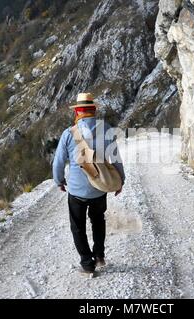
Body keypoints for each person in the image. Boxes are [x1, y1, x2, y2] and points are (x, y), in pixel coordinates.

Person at [53, 93, 125, 275]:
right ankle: (99, 256)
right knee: (98, 221)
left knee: (78, 227)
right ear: (93, 110)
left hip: (77, 192)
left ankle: (87, 264)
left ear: (77, 112)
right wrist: (120, 181)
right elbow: (116, 160)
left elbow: (59, 162)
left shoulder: (69, 134)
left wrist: (59, 180)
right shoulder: (106, 129)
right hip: (100, 189)